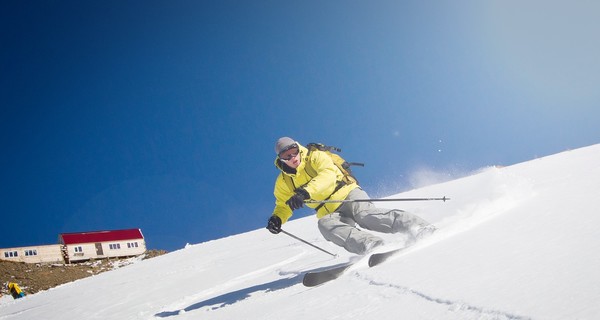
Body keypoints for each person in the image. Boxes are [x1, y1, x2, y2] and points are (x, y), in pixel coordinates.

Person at [266, 137, 437, 255]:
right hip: (328, 211)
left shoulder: (315, 157)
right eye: (286, 156)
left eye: (294, 151)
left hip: (347, 194)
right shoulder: (283, 182)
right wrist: (277, 219)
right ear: (281, 160)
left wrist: (305, 192)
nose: (292, 157)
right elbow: (283, 204)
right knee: (325, 226)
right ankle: (372, 245)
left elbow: (328, 175)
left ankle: (419, 227)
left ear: (298, 148)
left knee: (366, 216)